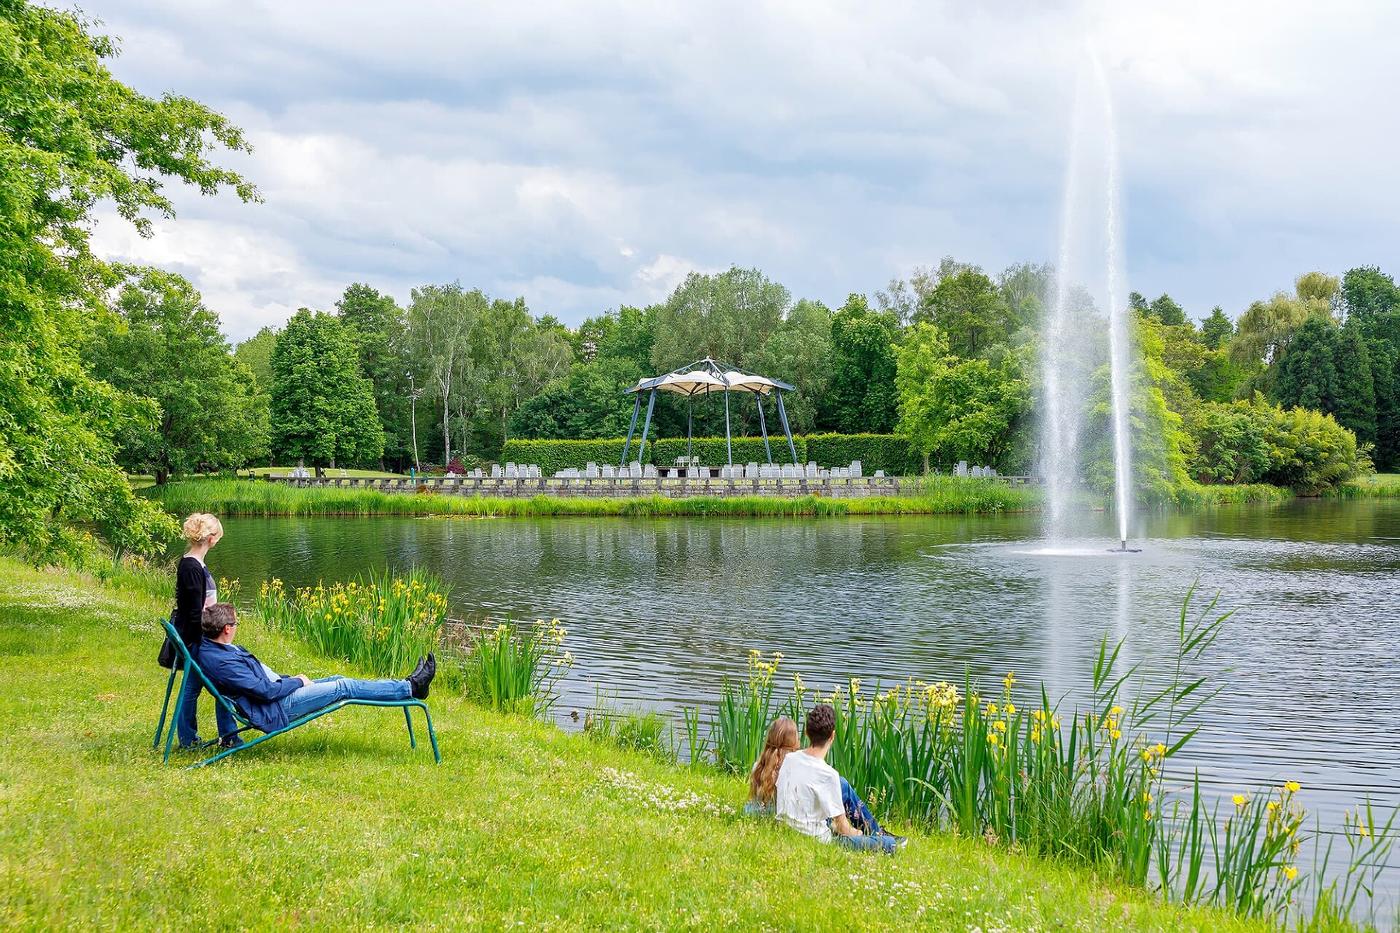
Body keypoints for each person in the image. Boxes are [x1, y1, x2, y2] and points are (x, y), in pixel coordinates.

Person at [197, 603, 436, 734]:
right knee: (344, 686)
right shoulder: (224, 663)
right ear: (227, 628)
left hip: (278, 694)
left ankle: (407, 685)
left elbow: (262, 682)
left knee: (338, 678)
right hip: (277, 707)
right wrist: (297, 681)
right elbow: (265, 692)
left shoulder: (217, 648)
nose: (237, 627)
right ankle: (412, 687)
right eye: (236, 623)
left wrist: (289, 680)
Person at [775, 704, 906, 853]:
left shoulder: (790, 759)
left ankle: (875, 832)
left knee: (842, 784)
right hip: (815, 838)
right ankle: (878, 836)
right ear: (832, 736)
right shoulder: (827, 774)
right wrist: (859, 834)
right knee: (889, 844)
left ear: (806, 732)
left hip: (787, 827)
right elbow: (843, 828)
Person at [172, 512, 239, 749]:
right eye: (217, 536)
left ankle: (193, 738)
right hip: (198, 639)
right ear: (211, 538)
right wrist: (207, 642)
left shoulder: (195, 563)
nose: (218, 540)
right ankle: (226, 737)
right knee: (223, 682)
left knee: (195, 688)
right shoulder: (191, 567)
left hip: (200, 637)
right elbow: (193, 613)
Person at [745, 717, 799, 816]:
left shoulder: (758, 766)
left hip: (754, 812)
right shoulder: (795, 768)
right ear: (794, 740)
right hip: (781, 816)